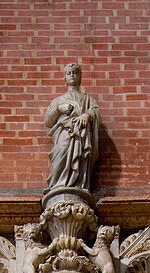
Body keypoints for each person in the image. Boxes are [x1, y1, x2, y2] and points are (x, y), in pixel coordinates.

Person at [44, 62, 100, 192]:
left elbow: (96, 111)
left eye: (75, 73)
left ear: (80, 76)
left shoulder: (87, 99)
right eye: (69, 73)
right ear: (65, 78)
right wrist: (59, 109)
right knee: (62, 150)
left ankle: (78, 184)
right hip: (65, 132)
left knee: (81, 157)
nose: (72, 75)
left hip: (81, 134)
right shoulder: (58, 100)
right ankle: (56, 183)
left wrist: (87, 115)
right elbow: (48, 121)